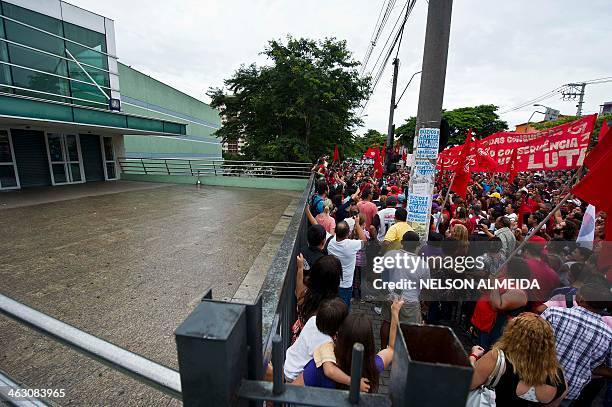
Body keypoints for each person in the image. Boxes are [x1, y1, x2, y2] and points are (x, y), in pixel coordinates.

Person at [303, 299, 404, 392]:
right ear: (370, 342)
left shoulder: (319, 367)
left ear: (340, 336)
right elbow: (391, 349)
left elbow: (291, 392)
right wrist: (395, 313)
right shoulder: (374, 366)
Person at [469, 313, 567, 406]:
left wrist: (473, 356)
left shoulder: (497, 359)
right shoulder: (558, 377)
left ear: (512, 335)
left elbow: (466, 383)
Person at [542, 283, 612, 405]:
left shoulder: (553, 314)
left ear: (580, 298)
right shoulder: (607, 335)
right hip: (566, 393)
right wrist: (588, 366)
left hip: (533, 379)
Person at [380, 231, 430, 348]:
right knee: (409, 330)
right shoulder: (422, 264)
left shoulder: (391, 255)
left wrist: (385, 289)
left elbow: (382, 272)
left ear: (402, 243)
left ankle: (382, 350)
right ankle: (403, 354)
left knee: (387, 322)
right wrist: (426, 303)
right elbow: (427, 286)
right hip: (410, 302)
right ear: (418, 245)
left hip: (392, 297)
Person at [284, 297, 348, 382]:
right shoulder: (325, 342)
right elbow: (330, 371)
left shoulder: (313, 320)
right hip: (294, 376)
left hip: (288, 365)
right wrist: (353, 382)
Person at [292, 255, 341, 343]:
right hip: (319, 353)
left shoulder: (305, 295)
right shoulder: (332, 309)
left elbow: (298, 291)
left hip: (300, 343)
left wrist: (300, 268)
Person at [327, 219, 367, 308]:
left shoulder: (330, 241)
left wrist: (307, 210)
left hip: (332, 281)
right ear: (348, 233)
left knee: (332, 306)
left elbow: (317, 224)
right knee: (344, 308)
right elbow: (364, 241)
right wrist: (357, 223)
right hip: (345, 284)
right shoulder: (351, 244)